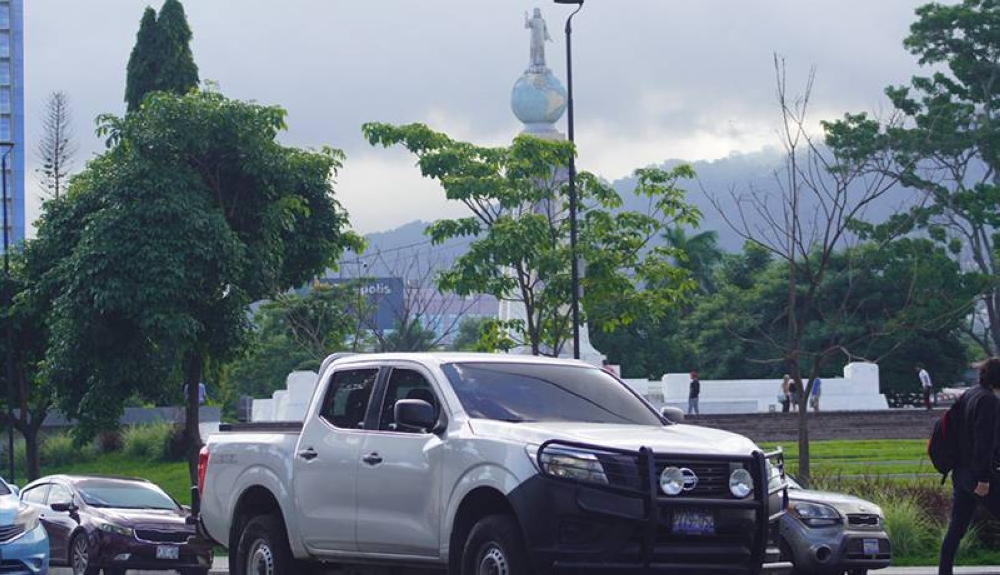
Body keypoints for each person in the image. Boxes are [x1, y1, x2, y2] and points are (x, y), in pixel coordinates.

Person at [938, 357, 1000, 575]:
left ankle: (944, 572)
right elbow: (983, 442)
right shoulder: (989, 401)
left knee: (957, 528)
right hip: (979, 475)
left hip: (960, 473)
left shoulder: (970, 394)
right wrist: (984, 479)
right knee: (957, 526)